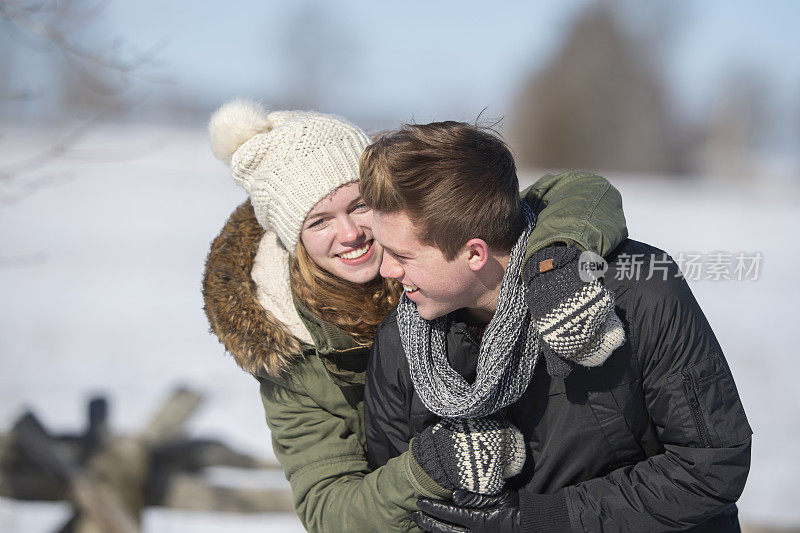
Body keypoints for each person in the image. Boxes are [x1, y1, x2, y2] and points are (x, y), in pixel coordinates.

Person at [202, 100, 628, 532]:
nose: (349, 234)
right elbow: (328, 509)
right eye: (318, 222)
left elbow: (577, 192)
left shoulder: (435, 240)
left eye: (359, 205)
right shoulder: (291, 346)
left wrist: (552, 264)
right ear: (294, 238)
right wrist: (428, 469)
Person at [361, 121, 752, 532]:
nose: (385, 270)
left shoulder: (638, 293)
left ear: (474, 253)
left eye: (402, 255)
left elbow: (711, 467)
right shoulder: (401, 342)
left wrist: (543, 521)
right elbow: (397, 494)